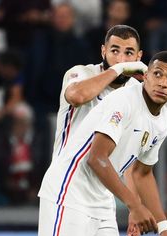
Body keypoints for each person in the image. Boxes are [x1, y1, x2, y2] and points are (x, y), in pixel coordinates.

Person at [38, 51, 167, 236]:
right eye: (157, 74)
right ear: (146, 76)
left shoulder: (163, 120)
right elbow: (97, 159)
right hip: (69, 193)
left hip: (102, 200)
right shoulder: (125, 100)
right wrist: (134, 205)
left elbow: (142, 173)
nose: (163, 83)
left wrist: (164, 228)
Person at [51, 24, 146, 163]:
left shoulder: (138, 91)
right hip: (66, 178)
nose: (121, 60)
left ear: (139, 56)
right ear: (103, 51)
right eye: (114, 51)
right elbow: (77, 97)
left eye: (129, 53)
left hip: (105, 180)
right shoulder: (81, 73)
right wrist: (119, 69)